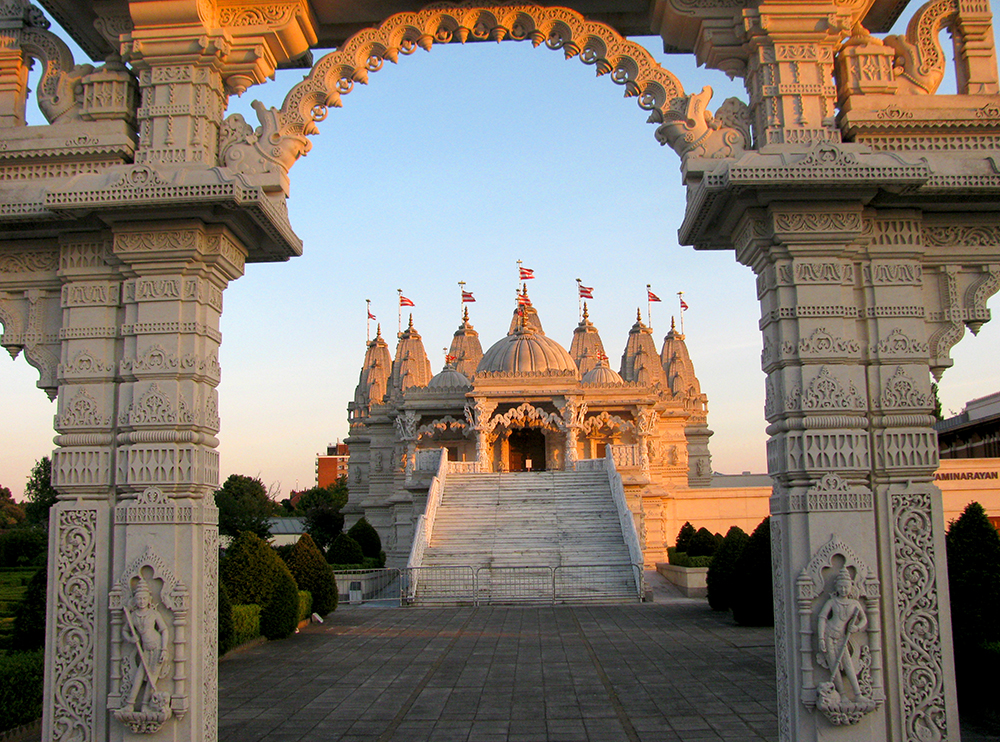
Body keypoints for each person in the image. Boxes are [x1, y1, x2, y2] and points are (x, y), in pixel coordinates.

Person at [817, 567, 868, 698]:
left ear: (851, 587)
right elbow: (822, 618)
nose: (843, 590)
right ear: (837, 587)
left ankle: (858, 694)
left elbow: (864, 619)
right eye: (841, 587)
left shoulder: (854, 603)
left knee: (848, 664)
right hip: (829, 634)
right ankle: (843, 695)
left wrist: (857, 628)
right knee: (833, 666)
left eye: (846, 587)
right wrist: (821, 638)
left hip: (841, 637)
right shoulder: (832, 602)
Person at [121, 579, 169, 712]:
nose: (141, 601)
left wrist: (164, 649)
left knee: (152, 676)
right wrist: (131, 638)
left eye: (144, 598)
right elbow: (125, 630)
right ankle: (130, 704)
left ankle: (145, 705)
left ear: (149, 600)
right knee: (139, 675)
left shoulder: (153, 614)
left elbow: (164, 630)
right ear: (135, 600)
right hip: (146, 650)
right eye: (139, 599)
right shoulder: (133, 616)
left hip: (157, 647)